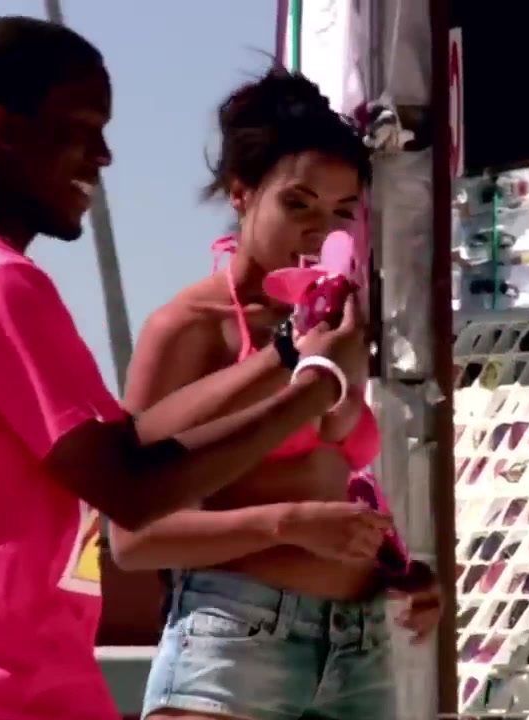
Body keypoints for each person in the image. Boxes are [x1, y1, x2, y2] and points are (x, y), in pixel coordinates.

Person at [0, 17, 372, 720]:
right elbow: (132, 494)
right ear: (3, 130)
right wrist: (317, 385)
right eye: (84, 129)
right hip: (5, 694)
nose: (104, 156)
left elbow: (122, 443)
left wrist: (289, 354)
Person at [108, 67, 441, 720]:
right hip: (237, 639)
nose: (320, 232)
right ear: (241, 193)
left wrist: (394, 565)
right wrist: (289, 525)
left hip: (360, 643)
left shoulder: (337, 322)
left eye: (342, 212)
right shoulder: (190, 327)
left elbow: (329, 478)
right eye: (298, 204)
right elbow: (132, 537)